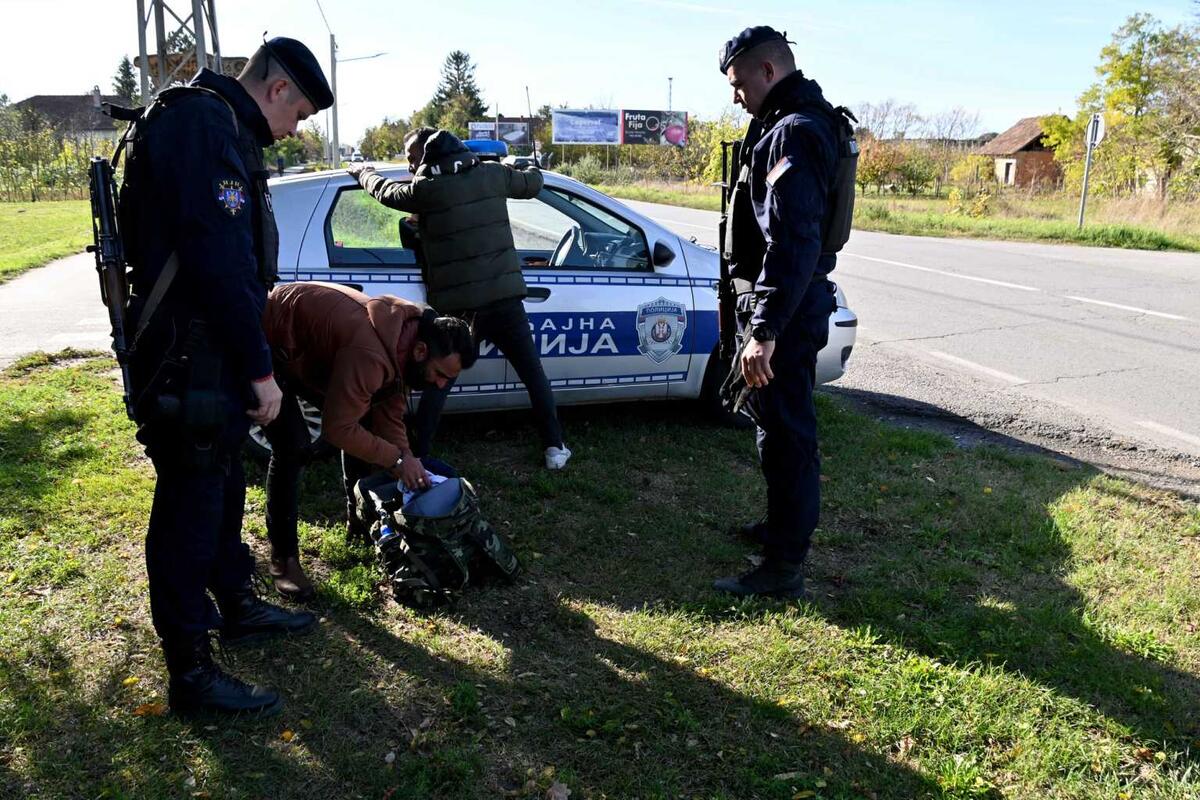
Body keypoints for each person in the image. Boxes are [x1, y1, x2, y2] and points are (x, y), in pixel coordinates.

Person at [121, 36, 333, 715]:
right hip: (191, 351)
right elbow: (221, 267)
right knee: (189, 508)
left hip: (202, 348)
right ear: (277, 89)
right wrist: (261, 370)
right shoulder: (205, 125)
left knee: (221, 484)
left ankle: (236, 603)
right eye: (298, 113)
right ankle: (190, 670)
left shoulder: (215, 123)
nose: (294, 129)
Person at [347, 130, 572, 470]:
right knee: (533, 374)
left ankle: (419, 455)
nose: (412, 166)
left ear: (428, 160)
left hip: (459, 311)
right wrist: (525, 165)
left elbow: (384, 191)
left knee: (440, 382)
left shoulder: (426, 190)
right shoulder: (493, 175)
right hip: (505, 299)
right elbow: (533, 183)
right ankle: (554, 447)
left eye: (415, 160)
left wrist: (362, 171)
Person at [712, 26, 845, 598]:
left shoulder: (795, 132)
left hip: (785, 313)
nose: (735, 96)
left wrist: (763, 328)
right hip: (783, 305)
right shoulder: (789, 122)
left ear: (768, 71)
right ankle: (779, 529)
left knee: (788, 436)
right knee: (775, 426)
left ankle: (784, 567)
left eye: (739, 84)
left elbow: (794, 240)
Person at [259, 281, 476, 598]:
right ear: (421, 352)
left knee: (365, 422)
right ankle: (283, 559)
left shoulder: (407, 341)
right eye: (441, 375)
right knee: (293, 447)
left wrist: (406, 456)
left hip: (307, 352)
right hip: (269, 344)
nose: (441, 385)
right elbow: (338, 429)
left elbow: (388, 414)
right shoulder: (371, 352)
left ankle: (359, 523)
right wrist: (397, 460)